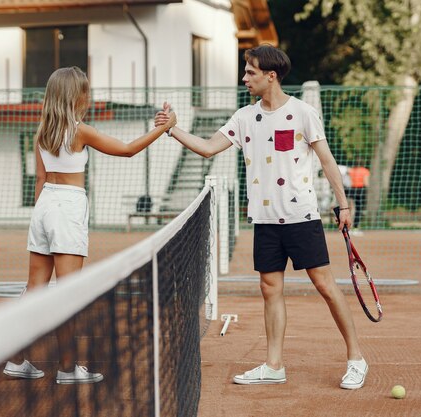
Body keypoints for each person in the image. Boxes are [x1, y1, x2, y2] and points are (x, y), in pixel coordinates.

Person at [155, 45, 368, 389]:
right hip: (265, 222)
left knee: (326, 287)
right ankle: (274, 365)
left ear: (271, 76)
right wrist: (173, 129)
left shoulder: (303, 113)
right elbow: (209, 148)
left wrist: (343, 205)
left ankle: (356, 358)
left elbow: (327, 161)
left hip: (302, 217)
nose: (244, 78)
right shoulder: (243, 117)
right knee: (270, 289)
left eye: (250, 72)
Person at [3, 66, 177, 384]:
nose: (89, 95)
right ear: (76, 96)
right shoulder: (80, 130)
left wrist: (43, 218)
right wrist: (165, 128)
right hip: (67, 208)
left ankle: (17, 359)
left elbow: (40, 180)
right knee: (69, 294)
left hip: (43, 208)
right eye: (85, 90)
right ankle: (68, 368)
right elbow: (126, 150)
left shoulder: (41, 130)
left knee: (35, 289)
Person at [348, 163, 370, 235]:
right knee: (358, 209)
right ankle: (355, 228)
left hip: (352, 189)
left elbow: (349, 181)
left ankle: (349, 228)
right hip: (360, 190)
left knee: (351, 209)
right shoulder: (365, 171)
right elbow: (366, 182)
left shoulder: (352, 170)